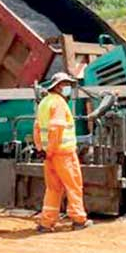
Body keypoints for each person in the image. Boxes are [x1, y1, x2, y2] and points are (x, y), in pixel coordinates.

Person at [33, 72, 92, 232]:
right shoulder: (59, 103)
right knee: (73, 185)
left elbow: (37, 128)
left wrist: (42, 150)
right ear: (59, 86)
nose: (68, 88)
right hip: (63, 153)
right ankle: (79, 219)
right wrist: (51, 150)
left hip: (49, 154)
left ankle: (46, 223)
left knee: (53, 188)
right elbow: (56, 128)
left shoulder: (44, 102)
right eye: (66, 85)